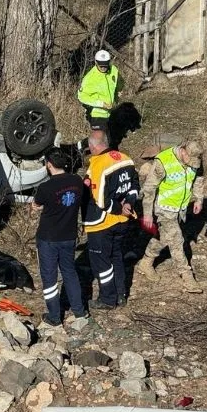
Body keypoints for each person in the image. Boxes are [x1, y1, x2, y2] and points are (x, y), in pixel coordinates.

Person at [135, 140, 205, 293]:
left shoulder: (194, 160)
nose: (192, 164)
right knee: (177, 239)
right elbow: (149, 188)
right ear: (183, 151)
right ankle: (186, 276)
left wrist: (199, 198)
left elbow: (198, 177)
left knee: (164, 237)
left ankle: (146, 262)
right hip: (164, 209)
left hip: (180, 209)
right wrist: (147, 214)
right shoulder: (163, 161)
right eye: (190, 160)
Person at [83, 130, 139, 310]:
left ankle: (107, 298)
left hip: (102, 223)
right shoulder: (125, 159)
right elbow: (134, 186)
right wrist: (129, 204)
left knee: (102, 261)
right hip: (122, 221)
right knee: (117, 257)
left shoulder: (99, 164)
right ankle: (121, 294)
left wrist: (117, 208)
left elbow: (100, 199)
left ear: (93, 146)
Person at [32, 148, 86, 326]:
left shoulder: (45, 187)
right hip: (69, 235)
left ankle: (54, 316)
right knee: (70, 272)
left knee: (49, 277)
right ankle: (79, 311)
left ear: (49, 165)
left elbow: (36, 205)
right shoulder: (77, 181)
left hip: (48, 238)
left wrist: (37, 207)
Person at [78, 50, 120, 135]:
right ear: (96, 62)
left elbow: (118, 83)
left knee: (111, 139)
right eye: (101, 66)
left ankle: (82, 145)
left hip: (111, 113)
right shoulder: (90, 78)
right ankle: (80, 146)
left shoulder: (113, 70)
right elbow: (81, 96)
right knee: (100, 140)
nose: (103, 68)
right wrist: (101, 104)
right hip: (97, 114)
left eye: (105, 65)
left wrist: (118, 92)